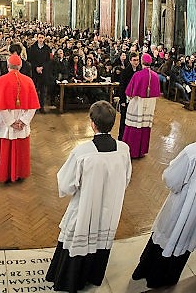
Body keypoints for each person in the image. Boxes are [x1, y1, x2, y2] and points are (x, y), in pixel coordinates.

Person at [132, 99, 196, 288]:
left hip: (183, 205)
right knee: (184, 241)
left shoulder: (193, 151)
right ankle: (168, 280)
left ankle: (148, 275)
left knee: (167, 236)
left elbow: (171, 179)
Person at [46, 101, 132, 292]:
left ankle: (71, 281)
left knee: (80, 238)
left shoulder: (83, 152)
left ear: (93, 123)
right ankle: (93, 276)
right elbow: (126, 179)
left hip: (85, 209)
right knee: (100, 240)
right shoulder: (124, 149)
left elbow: (66, 185)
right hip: (110, 210)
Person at [0, 54, 40, 183]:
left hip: (5, 121)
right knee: (20, 149)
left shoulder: (0, 80)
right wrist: (23, 121)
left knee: (5, 149)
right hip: (21, 120)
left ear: (7, 65)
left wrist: (11, 122)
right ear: (20, 66)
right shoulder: (28, 81)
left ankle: (4, 175)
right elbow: (33, 106)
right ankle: (20, 173)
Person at [123, 53, 161, 159]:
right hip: (150, 105)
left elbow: (130, 93)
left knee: (134, 126)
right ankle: (141, 151)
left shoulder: (137, 75)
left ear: (141, 61)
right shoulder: (155, 76)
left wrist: (128, 100)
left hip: (138, 103)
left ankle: (132, 150)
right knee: (145, 126)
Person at [117, 52, 140, 140]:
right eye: (134, 60)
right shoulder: (125, 71)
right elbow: (122, 86)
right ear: (130, 61)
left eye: (137, 60)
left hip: (136, 99)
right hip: (126, 99)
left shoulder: (139, 70)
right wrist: (122, 100)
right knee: (123, 120)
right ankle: (121, 138)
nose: (136, 62)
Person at [27, 33, 51, 113]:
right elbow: (30, 59)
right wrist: (36, 67)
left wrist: (42, 67)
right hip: (35, 71)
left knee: (43, 90)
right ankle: (34, 106)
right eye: (39, 37)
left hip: (44, 71)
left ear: (44, 38)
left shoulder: (47, 48)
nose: (40, 39)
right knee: (34, 90)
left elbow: (48, 60)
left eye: (42, 37)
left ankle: (42, 106)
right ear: (37, 38)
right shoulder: (32, 48)